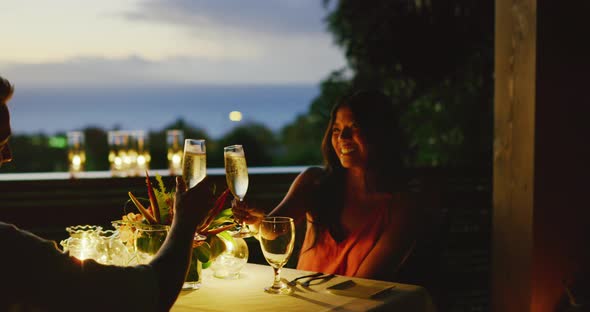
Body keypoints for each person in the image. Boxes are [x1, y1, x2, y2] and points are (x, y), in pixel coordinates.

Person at [0, 75, 212, 311]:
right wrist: (185, 221)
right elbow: (148, 292)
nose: (8, 155)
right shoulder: (10, 251)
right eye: (0, 143)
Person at [234, 90, 419, 281]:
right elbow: (271, 230)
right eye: (336, 129)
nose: (342, 137)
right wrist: (257, 222)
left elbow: (368, 282)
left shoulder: (402, 205)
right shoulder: (315, 182)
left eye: (354, 127)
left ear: (380, 133)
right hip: (303, 301)